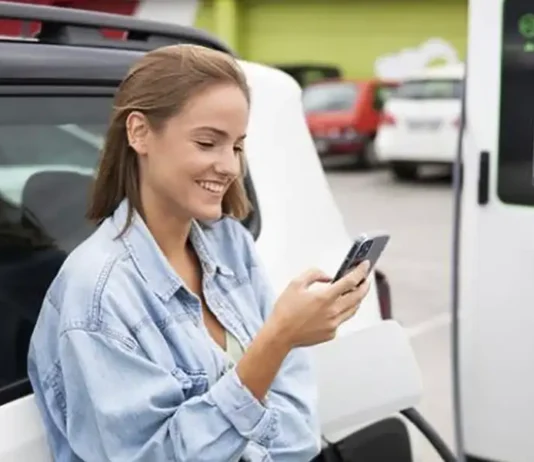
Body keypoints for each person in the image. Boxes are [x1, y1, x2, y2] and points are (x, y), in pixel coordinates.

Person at [27, 44, 371, 462]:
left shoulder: (230, 244)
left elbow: (299, 429)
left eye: (238, 147)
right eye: (208, 143)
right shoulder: (98, 295)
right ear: (139, 132)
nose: (229, 166)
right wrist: (278, 339)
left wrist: (279, 344)